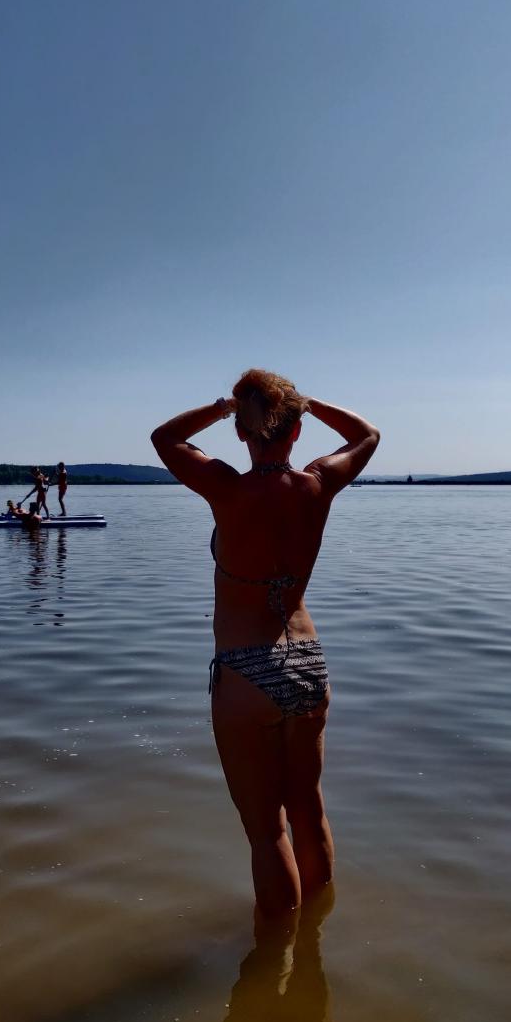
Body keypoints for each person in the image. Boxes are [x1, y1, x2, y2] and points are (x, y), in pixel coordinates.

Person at [151, 369, 380, 918]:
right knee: (307, 809)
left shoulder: (227, 487)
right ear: (297, 430)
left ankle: (273, 961)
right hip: (306, 661)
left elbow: (165, 439)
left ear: (242, 429)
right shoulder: (317, 483)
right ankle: (314, 948)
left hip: (246, 669)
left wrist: (221, 406)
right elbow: (367, 435)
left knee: (266, 832)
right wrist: (308, 403)